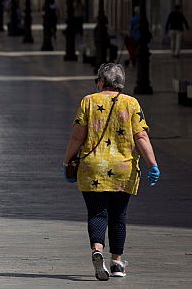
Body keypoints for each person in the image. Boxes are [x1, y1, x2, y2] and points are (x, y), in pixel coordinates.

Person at [62, 63, 160, 281]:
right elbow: (141, 137)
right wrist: (152, 164)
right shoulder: (132, 103)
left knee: (97, 213)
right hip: (123, 169)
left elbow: (77, 136)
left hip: (93, 168)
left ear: (100, 81)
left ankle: (97, 250)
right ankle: (117, 262)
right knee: (119, 216)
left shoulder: (89, 101)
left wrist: (67, 160)